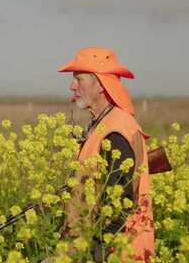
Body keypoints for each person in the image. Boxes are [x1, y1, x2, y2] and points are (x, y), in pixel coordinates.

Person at [57, 47, 154, 262]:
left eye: (79, 79)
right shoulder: (103, 123)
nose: (72, 86)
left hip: (118, 252)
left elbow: (120, 203)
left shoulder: (115, 131)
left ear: (100, 84)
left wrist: (94, 250)